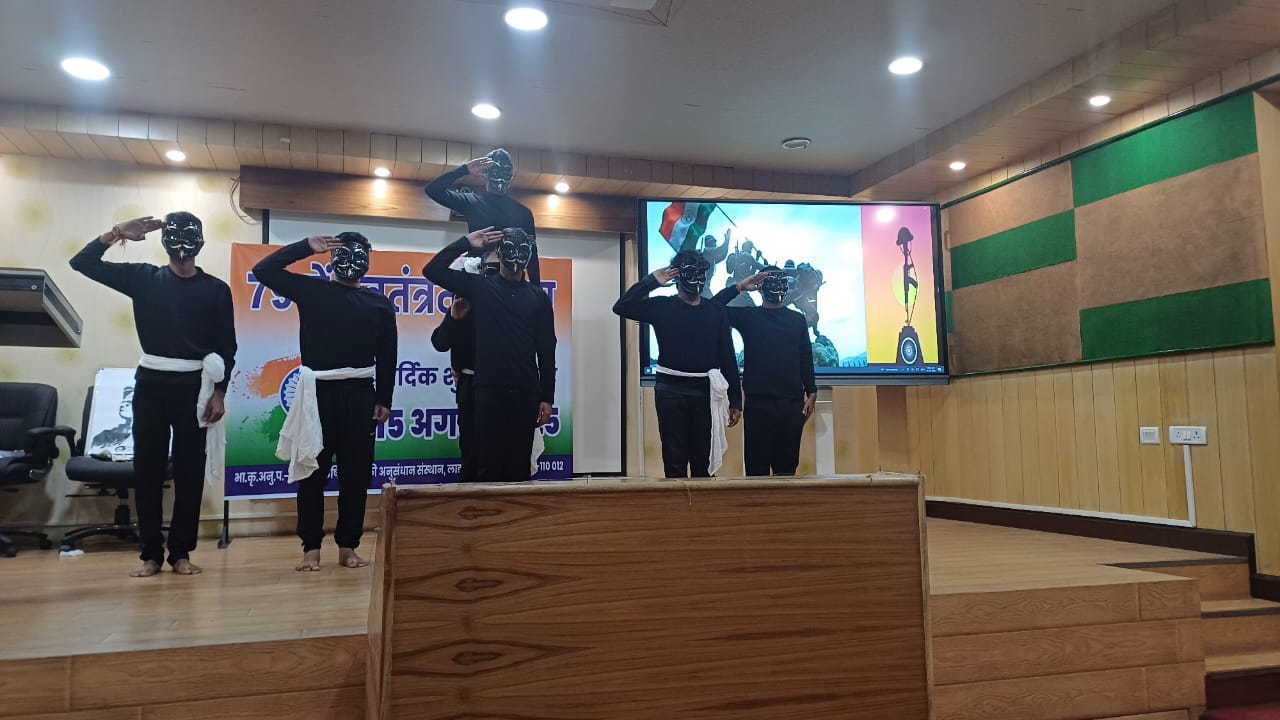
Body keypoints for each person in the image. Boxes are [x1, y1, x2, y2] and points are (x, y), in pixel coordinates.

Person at [70, 212, 236, 577]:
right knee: (148, 470)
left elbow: (228, 347)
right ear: (164, 242)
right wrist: (116, 233)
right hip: (151, 385)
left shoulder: (216, 290)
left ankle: (181, 553)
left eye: (190, 235)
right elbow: (81, 263)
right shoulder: (143, 278)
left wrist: (219, 393)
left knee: (190, 472)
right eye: (175, 234)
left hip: (195, 388)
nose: (182, 242)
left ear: (201, 242)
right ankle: (150, 554)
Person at [252, 233, 397, 571]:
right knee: (312, 473)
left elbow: (388, 355)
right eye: (343, 252)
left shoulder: (379, 304)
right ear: (332, 258)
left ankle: (348, 547)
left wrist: (384, 399)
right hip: (316, 396)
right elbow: (263, 270)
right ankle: (311, 548)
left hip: (360, 396)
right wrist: (305, 247)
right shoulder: (311, 290)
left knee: (355, 476)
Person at [423, 227, 556, 482]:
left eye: (522, 251)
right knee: (486, 466)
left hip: (525, 391)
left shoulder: (538, 298)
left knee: (519, 468)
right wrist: (465, 243)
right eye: (509, 250)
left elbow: (547, 348)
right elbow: (432, 270)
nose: (515, 257)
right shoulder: (479, 287)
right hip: (488, 390)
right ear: (499, 252)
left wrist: (547, 397)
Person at [613, 250, 742, 478]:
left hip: (705, 393)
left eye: (701, 273)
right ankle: (676, 503)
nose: (697, 279)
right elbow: (622, 306)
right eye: (690, 272)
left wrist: (736, 399)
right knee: (674, 461)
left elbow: (727, 356)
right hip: (670, 392)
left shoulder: (716, 311)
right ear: (678, 276)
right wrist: (651, 281)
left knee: (703, 462)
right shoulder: (662, 306)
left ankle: (703, 502)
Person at [714, 268, 817, 476]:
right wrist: (740, 287)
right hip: (758, 404)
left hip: (791, 403)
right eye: (769, 281)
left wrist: (812, 391)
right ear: (760, 287)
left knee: (787, 470)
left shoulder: (797, 320)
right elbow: (712, 308)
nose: (776, 285)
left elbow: (805, 357)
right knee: (756, 470)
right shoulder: (748, 316)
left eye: (780, 280)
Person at [430, 251, 499, 483]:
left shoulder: (506, 304)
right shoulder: (462, 305)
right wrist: (454, 318)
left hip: (501, 387)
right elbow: (440, 343)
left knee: (499, 451)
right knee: (470, 450)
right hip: (469, 387)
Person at [425, 148, 541, 283]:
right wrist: (465, 170)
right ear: (486, 173)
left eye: (505, 172)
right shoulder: (472, 202)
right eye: (496, 171)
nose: (500, 177)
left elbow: (532, 253)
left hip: (510, 280)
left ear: (511, 175)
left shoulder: (523, 212)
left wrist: (536, 290)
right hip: (478, 277)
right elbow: (433, 190)